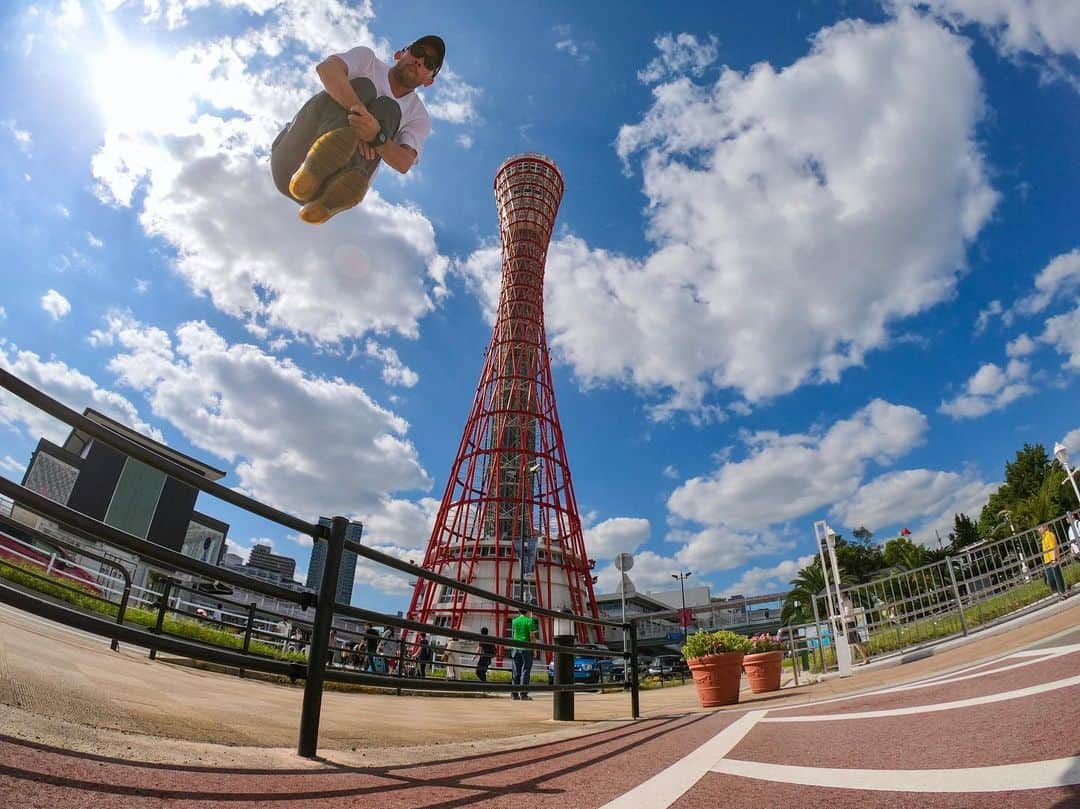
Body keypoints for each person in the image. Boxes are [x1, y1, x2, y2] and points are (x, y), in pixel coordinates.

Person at [270, 35, 444, 224]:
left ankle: (326, 203)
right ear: (400, 53)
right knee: (364, 86)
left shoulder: (418, 115)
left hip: (327, 190)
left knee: (389, 110)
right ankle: (313, 167)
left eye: (430, 63)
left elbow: (403, 163)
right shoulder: (366, 60)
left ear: (429, 81)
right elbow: (327, 69)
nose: (420, 61)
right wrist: (360, 114)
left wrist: (377, 137)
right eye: (418, 51)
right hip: (292, 157)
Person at [510, 607, 539, 700]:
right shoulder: (529, 621)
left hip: (515, 648)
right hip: (526, 649)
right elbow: (532, 636)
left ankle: (514, 694)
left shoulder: (514, 621)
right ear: (528, 611)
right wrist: (534, 650)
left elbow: (513, 634)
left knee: (516, 671)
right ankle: (523, 694)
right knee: (525, 671)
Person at [840, 594, 870, 665]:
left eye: (841, 594)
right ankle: (865, 658)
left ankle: (865, 658)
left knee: (856, 642)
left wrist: (842, 610)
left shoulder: (847, 602)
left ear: (844, 594)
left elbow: (846, 613)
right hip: (849, 623)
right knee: (856, 642)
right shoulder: (846, 602)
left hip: (849, 623)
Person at [1041, 523, 1068, 599]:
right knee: (1051, 579)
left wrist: (1054, 559)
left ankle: (1063, 592)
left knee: (1056, 577)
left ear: (1045, 527)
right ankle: (1062, 591)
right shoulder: (1044, 537)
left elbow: (1054, 547)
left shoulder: (1050, 535)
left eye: (1040, 527)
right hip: (1047, 561)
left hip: (1052, 559)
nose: (1039, 530)